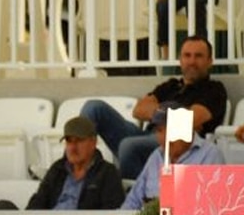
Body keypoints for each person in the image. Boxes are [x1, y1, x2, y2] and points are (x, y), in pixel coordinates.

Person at [80, 35, 227, 179]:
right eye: (187, 56)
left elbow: (189, 120)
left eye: (198, 56)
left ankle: (137, 196)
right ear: (180, 60)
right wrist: (171, 113)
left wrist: (158, 110)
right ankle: (76, 172)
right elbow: (138, 110)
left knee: (128, 146)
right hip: (146, 135)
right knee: (93, 107)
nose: (192, 61)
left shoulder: (214, 90)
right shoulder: (171, 86)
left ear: (209, 61)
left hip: (177, 145)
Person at [0, 116, 125, 215]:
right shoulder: (57, 169)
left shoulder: (107, 172)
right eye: (69, 141)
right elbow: (37, 202)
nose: (72, 147)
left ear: (93, 142)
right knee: (3, 207)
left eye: (79, 141)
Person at [96, 102, 225, 215]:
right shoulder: (157, 156)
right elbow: (135, 197)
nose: (163, 138)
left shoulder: (210, 155)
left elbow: (212, 207)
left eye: (169, 130)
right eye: (159, 131)